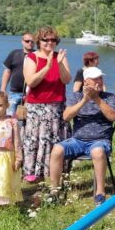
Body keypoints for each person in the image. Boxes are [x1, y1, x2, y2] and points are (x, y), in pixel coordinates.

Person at [49, 67, 115, 205]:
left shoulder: (109, 97)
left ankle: (100, 192)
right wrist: (84, 100)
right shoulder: (76, 96)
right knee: (57, 149)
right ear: (86, 82)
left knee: (97, 152)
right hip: (77, 140)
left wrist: (96, 99)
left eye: (100, 78)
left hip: (100, 140)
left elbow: (113, 117)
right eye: (95, 79)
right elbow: (66, 117)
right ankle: (54, 191)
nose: (99, 81)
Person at [22, 26, 71, 183]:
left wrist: (60, 64)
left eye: (53, 40)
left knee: (55, 142)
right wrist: (48, 66)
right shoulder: (31, 58)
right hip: (37, 109)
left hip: (57, 108)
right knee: (36, 141)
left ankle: (55, 174)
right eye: (46, 39)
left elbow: (66, 80)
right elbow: (31, 81)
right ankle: (34, 175)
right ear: (39, 41)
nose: (50, 42)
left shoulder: (60, 57)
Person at [1, 32, 35, 117]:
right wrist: (3, 89)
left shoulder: (37, 55)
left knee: (28, 118)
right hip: (14, 93)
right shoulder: (14, 53)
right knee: (9, 117)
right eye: (27, 41)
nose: (30, 43)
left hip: (32, 93)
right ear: (22, 41)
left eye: (32, 41)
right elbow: (7, 71)